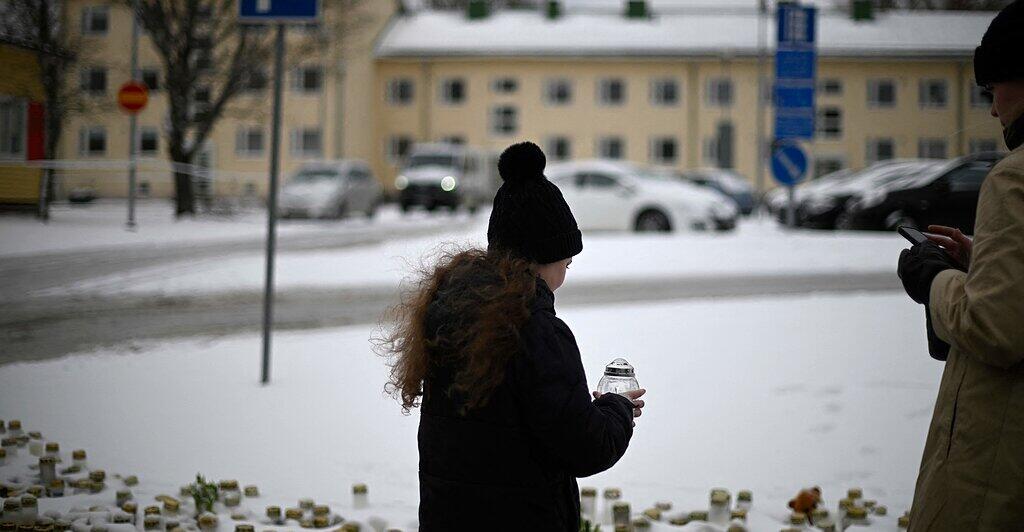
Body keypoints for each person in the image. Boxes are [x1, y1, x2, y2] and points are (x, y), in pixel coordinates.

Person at [379, 141, 645, 531]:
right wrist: (617, 408)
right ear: (543, 260)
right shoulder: (535, 330)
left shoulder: (451, 312)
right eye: (566, 263)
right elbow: (584, 447)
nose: (565, 275)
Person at [897, 1, 1024, 529]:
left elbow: (996, 328)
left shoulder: (1014, 179)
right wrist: (984, 264)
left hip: (1003, 461)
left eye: (994, 88)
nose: (993, 109)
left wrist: (936, 280)